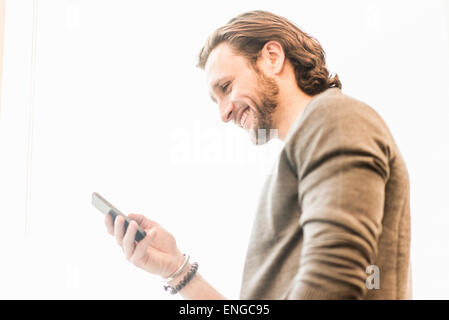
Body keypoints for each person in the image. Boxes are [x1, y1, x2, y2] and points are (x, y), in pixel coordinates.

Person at [104, 10, 412, 299]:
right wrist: (176, 269)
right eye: (216, 100)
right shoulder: (310, 142)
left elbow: (337, 275)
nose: (224, 113)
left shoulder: (334, 118)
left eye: (226, 86)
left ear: (272, 57)